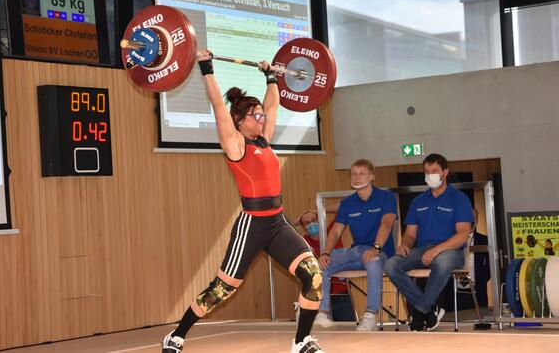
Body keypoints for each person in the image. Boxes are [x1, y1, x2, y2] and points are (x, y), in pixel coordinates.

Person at [161, 50, 324, 353]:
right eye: (255, 116)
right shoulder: (235, 145)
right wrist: (206, 67)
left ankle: (301, 342)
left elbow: (273, 104)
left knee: (313, 277)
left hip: (277, 222)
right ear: (240, 120)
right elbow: (219, 107)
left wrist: (271, 76)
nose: (262, 119)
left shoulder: (264, 139)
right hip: (252, 225)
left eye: (262, 115)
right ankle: (176, 336)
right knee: (221, 291)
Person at [384, 153, 473, 332]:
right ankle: (429, 308)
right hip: (422, 249)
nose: (430, 175)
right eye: (427, 171)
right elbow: (410, 235)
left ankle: (419, 312)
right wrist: (405, 245)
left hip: (451, 250)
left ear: (445, 172)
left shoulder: (459, 199)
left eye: (434, 171)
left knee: (441, 261)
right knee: (391, 265)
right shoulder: (419, 201)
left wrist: (437, 250)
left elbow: (462, 235)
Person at [316, 159, 397, 331]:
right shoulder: (347, 203)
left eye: (362, 174)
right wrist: (326, 252)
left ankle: (370, 316)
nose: (357, 178)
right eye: (354, 174)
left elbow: (387, 224)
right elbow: (336, 231)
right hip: (356, 252)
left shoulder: (386, 197)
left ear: (372, 176)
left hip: (379, 252)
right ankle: (322, 313)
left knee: (373, 262)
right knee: (322, 264)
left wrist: (376, 248)